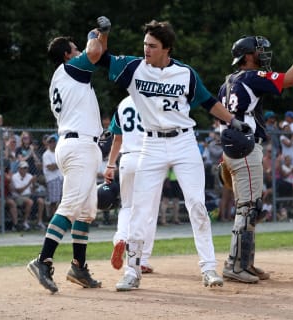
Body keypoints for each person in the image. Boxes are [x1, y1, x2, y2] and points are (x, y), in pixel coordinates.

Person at [99, 20, 241, 291]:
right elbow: (102, 57)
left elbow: (209, 102)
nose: (146, 50)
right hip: (149, 145)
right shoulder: (133, 68)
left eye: (152, 46)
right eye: (144, 44)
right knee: (140, 208)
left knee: (197, 205)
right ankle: (132, 270)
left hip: (184, 143)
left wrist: (234, 122)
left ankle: (209, 268)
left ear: (167, 49)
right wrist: (103, 34)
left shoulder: (185, 73)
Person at [27, 16, 110, 294]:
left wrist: (103, 34)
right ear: (67, 54)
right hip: (79, 147)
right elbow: (94, 52)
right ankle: (43, 260)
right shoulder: (70, 67)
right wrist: (95, 33)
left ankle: (78, 266)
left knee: (85, 213)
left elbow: (98, 52)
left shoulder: (65, 77)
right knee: (71, 206)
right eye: (75, 49)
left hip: (78, 144)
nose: (80, 52)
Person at [218, 30, 293, 283]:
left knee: (250, 206)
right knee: (248, 208)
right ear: (247, 56)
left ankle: (245, 263)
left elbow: (222, 121)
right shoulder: (251, 76)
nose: (262, 54)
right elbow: (290, 79)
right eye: (258, 51)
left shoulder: (226, 82)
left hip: (234, 148)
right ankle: (235, 266)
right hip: (246, 149)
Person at [103, 96, 158, 274]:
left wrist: (110, 165)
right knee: (148, 211)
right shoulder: (154, 98)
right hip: (149, 158)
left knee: (127, 206)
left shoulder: (123, 103)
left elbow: (117, 139)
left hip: (127, 158)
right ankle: (142, 259)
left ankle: (120, 238)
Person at [11, 160, 45, 231]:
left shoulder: (29, 176)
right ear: (19, 169)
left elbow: (32, 190)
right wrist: (29, 183)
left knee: (41, 201)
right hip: (19, 197)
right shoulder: (15, 176)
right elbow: (19, 191)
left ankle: (39, 222)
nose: (25, 170)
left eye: (26, 168)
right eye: (23, 168)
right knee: (29, 202)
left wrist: (34, 184)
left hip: (29, 195)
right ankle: (25, 222)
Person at [42, 134, 63, 220]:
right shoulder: (46, 154)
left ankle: (60, 219)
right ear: (47, 144)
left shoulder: (58, 152)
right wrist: (60, 163)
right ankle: (52, 220)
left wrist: (57, 164)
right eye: (50, 142)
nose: (52, 143)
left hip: (61, 178)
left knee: (62, 201)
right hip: (52, 179)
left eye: (54, 141)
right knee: (54, 201)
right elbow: (50, 167)